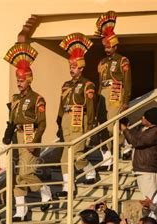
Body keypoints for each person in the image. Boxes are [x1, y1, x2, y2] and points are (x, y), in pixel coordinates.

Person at [3, 43, 52, 221]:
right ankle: (21, 211)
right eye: (17, 80)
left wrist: (35, 141)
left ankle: (45, 190)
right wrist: (7, 135)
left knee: (26, 172)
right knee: (17, 175)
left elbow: (42, 123)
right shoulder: (15, 99)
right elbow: (12, 119)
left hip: (30, 135)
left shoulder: (37, 98)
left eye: (21, 80)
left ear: (29, 80)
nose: (19, 83)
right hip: (16, 136)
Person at [56, 33, 97, 198]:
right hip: (66, 121)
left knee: (78, 155)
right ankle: (68, 187)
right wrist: (59, 123)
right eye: (70, 66)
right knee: (64, 159)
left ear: (81, 67)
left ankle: (90, 171)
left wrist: (90, 128)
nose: (71, 69)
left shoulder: (88, 84)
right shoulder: (65, 85)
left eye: (74, 66)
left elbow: (91, 108)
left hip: (79, 121)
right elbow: (61, 106)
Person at [95, 11, 132, 166]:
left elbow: (127, 81)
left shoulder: (123, 60)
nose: (107, 49)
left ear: (115, 45)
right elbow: (99, 82)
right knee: (101, 124)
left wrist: (126, 100)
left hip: (116, 92)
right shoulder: (102, 62)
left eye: (109, 46)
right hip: (103, 93)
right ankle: (109, 153)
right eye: (105, 46)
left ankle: (124, 144)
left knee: (112, 124)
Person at [121, 107, 157, 201]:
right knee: (145, 200)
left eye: (144, 117)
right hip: (141, 169)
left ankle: (151, 216)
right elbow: (133, 137)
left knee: (149, 200)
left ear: (150, 120)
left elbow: (137, 142)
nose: (142, 118)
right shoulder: (145, 129)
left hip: (147, 171)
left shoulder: (154, 132)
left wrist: (125, 129)